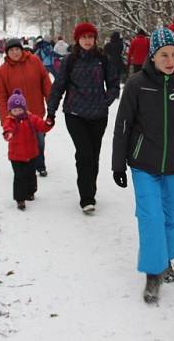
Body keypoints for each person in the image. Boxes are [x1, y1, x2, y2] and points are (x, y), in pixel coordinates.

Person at [112, 27, 174, 305]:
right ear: (152, 57)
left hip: (173, 165)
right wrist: (118, 164)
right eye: (163, 55)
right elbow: (123, 126)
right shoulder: (136, 84)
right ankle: (152, 273)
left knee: (170, 217)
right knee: (150, 217)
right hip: (143, 164)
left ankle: (166, 260)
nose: (169, 60)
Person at [46, 22, 120, 213]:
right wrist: (51, 112)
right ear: (77, 39)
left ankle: (91, 191)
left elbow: (113, 85)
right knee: (84, 153)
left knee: (93, 155)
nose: (88, 40)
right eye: (84, 37)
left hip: (98, 115)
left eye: (91, 37)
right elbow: (58, 87)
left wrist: (106, 101)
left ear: (95, 39)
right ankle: (86, 197)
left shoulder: (103, 59)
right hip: (75, 114)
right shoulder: (70, 60)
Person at [0, 38, 53, 176]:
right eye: (11, 50)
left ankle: (40, 165)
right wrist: (5, 119)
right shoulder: (3, 71)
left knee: (39, 140)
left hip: (36, 110)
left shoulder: (34, 61)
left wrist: (51, 102)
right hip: (16, 116)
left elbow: (45, 81)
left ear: (22, 50)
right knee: (23, 142)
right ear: (7, 53)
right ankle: (26, 167)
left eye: (17, 49)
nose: (15, 53)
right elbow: (1, 96)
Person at [2, 90, 53, 210]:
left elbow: (42, 126)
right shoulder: (10, 120)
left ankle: (31, 191)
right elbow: (7, 128)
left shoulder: (31, 118)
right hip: (16, 156)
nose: (18, 112)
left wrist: (48, 124)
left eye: (20, 110)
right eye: (15, 110)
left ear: (24, 108)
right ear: (10, 111)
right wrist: (8, 134)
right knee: (19, 176)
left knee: (30, 174)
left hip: (31, 153)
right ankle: (20, 199)